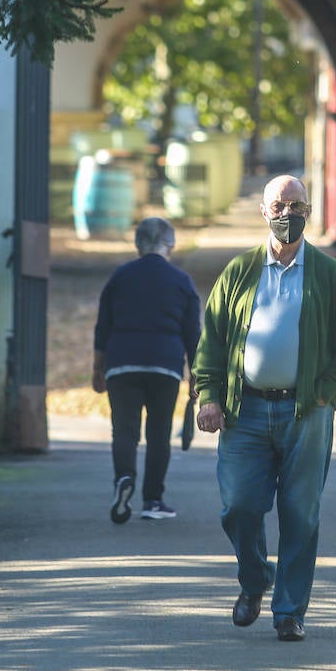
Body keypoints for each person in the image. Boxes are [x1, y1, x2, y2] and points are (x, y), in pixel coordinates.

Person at [193, 175, 336, 641]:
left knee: (300, 512)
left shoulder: (329, 275)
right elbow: (211, 341)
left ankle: (289, 611)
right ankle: (254, 580)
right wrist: (208, 395)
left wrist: (327, 394)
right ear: (264, 211)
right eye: (278, 205)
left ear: (308, 211)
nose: (286, 214)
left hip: (305, 412)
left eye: (295, 205)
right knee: (239, 506)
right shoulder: (239, 273)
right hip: (244, 411)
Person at [93, 217, 201, 524]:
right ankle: (153, 500)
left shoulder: (120, 277)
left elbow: (103, 326)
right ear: (171, 245)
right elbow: (192, 333)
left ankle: (124, 478)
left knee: (124, 430)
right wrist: (197, 375)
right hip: (164, 366)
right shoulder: (182, 281)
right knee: (159, 433)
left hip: (121, 362)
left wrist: (97, 369)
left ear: (138, 244)